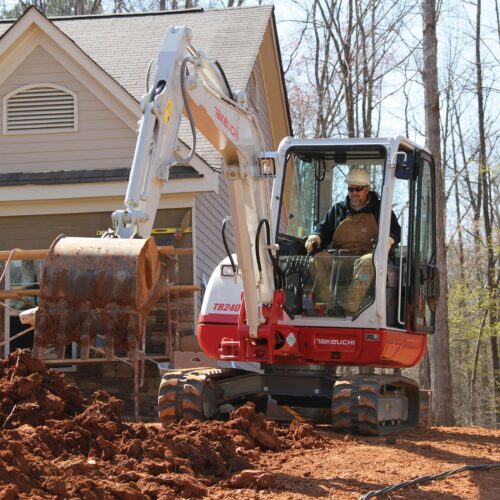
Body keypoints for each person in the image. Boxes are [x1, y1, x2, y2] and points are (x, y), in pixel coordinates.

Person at [304, 168, 401, 315]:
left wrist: (389, 240)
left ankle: (348, 309)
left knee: (368, 262)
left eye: (358, 189)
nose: (353, 193)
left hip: (367, 262)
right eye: (350, 189)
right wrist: (315, 237)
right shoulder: (338, 210)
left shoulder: (381, 209)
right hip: (341, 261)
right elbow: (323, 229)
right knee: (317, 260)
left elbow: (395, 231)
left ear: (367, 190)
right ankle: (327, 306)